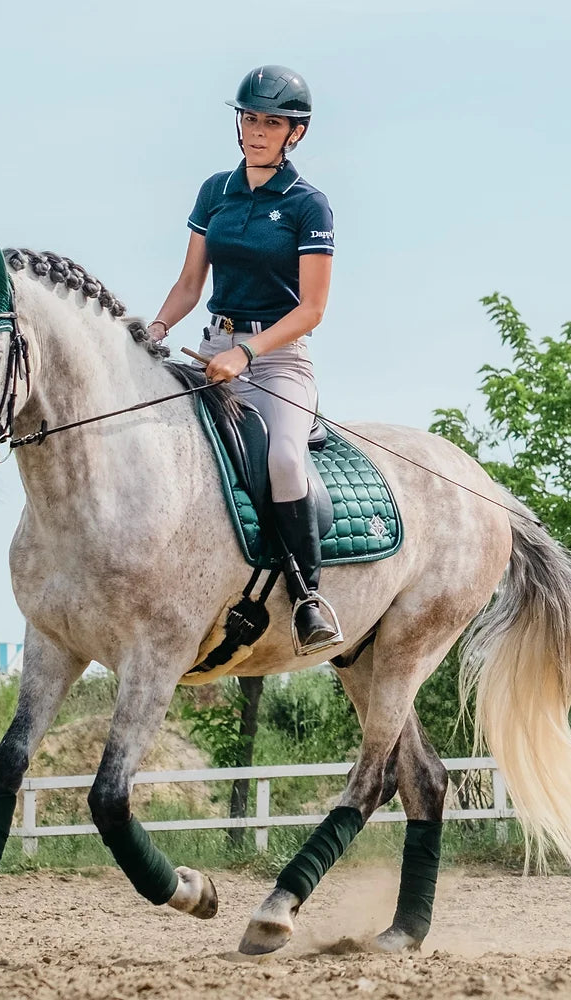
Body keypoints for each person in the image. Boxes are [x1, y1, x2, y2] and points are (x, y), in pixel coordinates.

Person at [148, 64, 341, 654]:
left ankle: (307, 598)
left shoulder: (311, 206)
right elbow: (189, 282)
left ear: (295, 132)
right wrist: (154, 330)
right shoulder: (215, 192)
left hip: (279, 357)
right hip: (210, 346)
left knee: (283, 457)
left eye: (272, 122)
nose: (258, 130)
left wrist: (248, 351)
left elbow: (311, 309)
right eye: (250, 118)